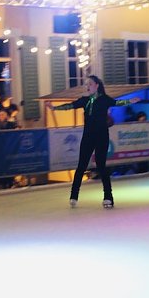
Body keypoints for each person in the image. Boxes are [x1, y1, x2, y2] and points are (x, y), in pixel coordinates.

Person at [46, 75, 140, 208]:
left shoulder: (104, 99)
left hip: (102, 136)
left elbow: (117, 103)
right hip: (88, 136)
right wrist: (54, 108)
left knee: (101, 166)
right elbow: (70, 106)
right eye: (86, 84)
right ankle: (74, 196)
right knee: (81, 166)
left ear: (97, 85)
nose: (87, 86)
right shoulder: (84, 100)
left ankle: (108, 197)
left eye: (89, 84)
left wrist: (130, 101)